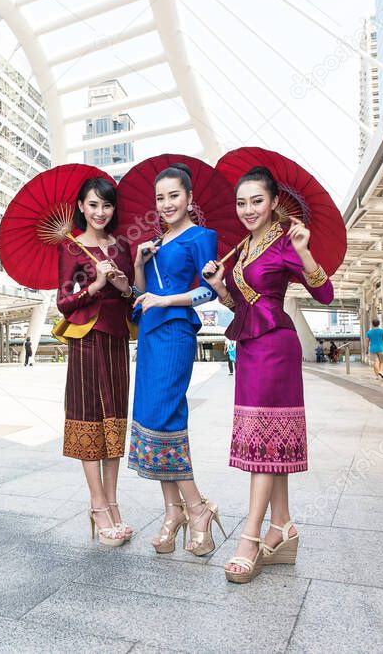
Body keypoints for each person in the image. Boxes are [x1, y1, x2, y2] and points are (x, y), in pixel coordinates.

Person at [202, 165, 334, 584]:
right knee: (269, 439)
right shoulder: (242, 247)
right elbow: (241, 306)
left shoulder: (286, 240)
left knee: (265, 441)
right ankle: (283, 526)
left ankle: (251, 537)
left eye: (256, 201)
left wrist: (305, 251)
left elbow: (325, 293)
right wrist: (221, 286)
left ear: (274, 201)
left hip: (277, 347)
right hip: (250, 347)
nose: (247, 209)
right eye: (241, 203)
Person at [130, 163, 226, 557]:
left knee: (167, 414)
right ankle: (173, 511)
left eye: (174, 195)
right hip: (151, 335)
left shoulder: (202, 237)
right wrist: (139, 262)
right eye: (161, 198)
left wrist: (167, 299)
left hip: (176, 334)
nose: (167, 203)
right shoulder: (155, 243)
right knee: (151, 417)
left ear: (189, 198)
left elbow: (209, 293)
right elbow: (140, 294)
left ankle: (198, 508)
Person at [57, 176, 135, 547]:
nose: (100, 212)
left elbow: (134, 296)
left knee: (115, 419)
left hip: (117, 338)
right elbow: (62, 302)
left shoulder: (122, 246)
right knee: (89, 417)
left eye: (106, 205)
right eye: (93, 205)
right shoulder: (71, 248)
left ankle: (113, 499)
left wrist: (123, 287)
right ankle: (98, 503)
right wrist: (94, 287)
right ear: (81, 207)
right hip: (86, 340)